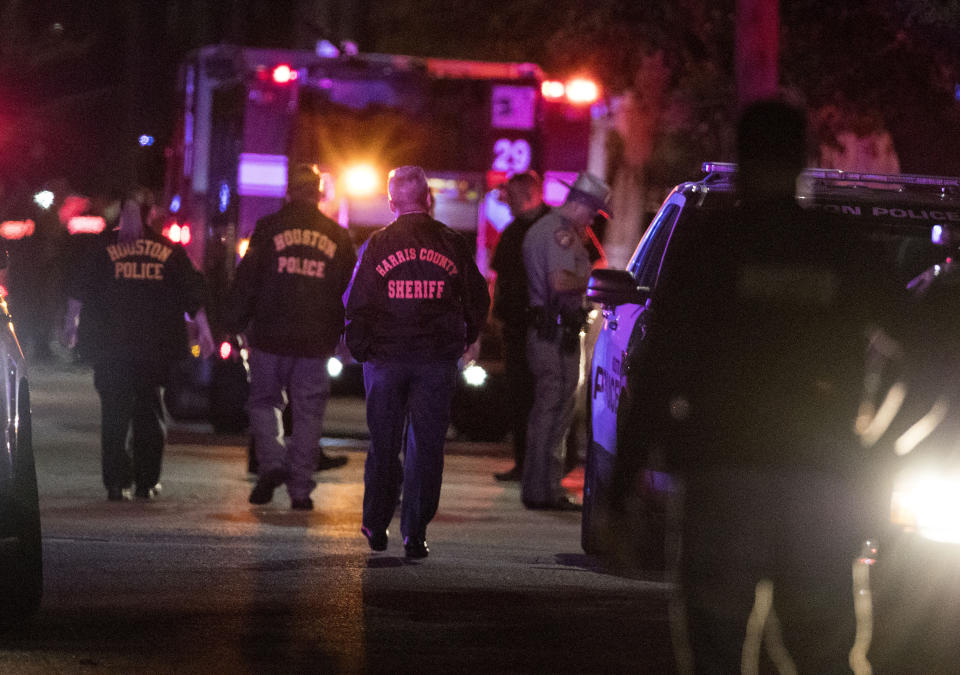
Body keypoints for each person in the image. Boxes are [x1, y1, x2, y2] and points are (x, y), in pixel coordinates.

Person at [635, 99, 911, 672]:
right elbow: (917, 346)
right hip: (821, 472)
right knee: (822, 650)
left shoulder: (713, 244)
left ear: (741, 155)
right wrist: (881, 440)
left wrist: (624, 477)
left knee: (716, 645)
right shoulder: (838, 244)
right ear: (804, 159)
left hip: (723, 471)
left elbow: (661, 361)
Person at [345, 165, 489, 558]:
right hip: (435, 360)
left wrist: (360, 348)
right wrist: (471, 336)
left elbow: (356, 301)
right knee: (426, 447)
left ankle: (376, 524)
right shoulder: (451, 243)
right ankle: (415, 533)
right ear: (428, 199)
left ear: (391, 203)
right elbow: (477, 296)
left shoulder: (377, 244)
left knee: (384, 443)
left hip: (387, 358)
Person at [64, 191, 215, 501]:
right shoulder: (167, 250)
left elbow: (78, 289)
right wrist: (205, 331)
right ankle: (146, 482)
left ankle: (115, 484)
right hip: (155, 349)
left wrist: (71, 327)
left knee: (114, 415)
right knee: (149, 411)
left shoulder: (104, 248)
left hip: (111, 348)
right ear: (151, 215)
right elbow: (192, 291)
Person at [224, 164, 356, 511]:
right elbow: (348, 290)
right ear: (319, 193)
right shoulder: (338, 237)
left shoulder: (268, 229)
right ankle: (300, 490)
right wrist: (343, 333)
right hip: (315, 340)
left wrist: (234, 323)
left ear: (289, 192)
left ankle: (273, 465)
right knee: (309, 412)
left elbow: (247, 279)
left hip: (269, 335)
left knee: (265, 403)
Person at [521, 171, 610, 511]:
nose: (593, 218)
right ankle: (544, 489)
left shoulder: (550, 229)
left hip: (553, 331)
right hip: (555, 333)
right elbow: (560, 281)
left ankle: (541, 486)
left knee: (551, 408)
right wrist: (595, 276)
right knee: (554, 409)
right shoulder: (560, 234)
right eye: (593, 211)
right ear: (580, 205)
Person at [489, 171, 550, 482]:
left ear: (527, 195)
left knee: (545, 398)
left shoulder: (557, 226)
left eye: (510, 196)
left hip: (546, 329)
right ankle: (523, 463)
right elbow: (499, 278)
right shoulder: (511, 232)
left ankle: (546, 465)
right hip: (515, 328)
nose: (506, 202)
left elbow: (594, 263)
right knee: (519, 398)